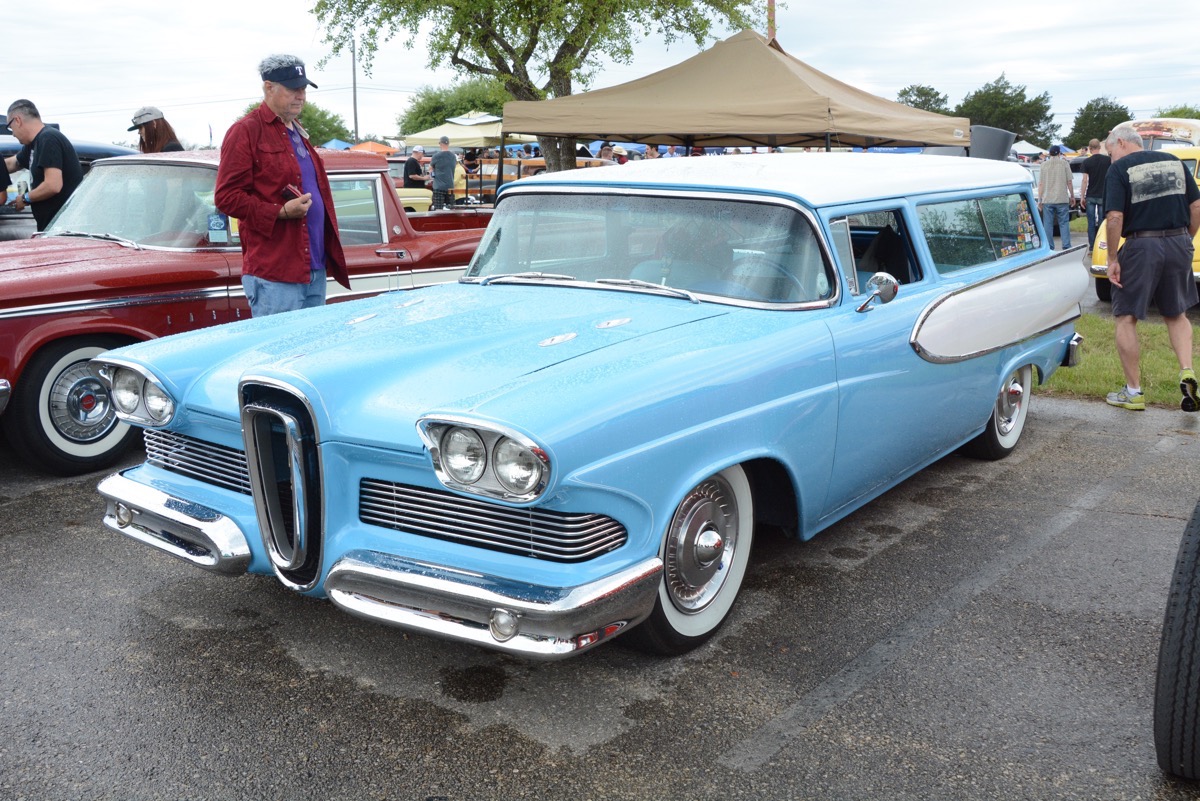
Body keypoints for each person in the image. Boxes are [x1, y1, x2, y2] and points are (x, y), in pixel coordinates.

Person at [214, 54, 349, 317]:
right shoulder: (246, 131)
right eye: (293, 88)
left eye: (303, 89)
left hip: (314, 266)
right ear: (269, 87)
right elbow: (226, 197)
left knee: (307, 354)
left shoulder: (298, 131)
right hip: (276, 271)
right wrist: (280, 212)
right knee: (278, 356)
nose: (301, 95)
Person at [1101, 121, 1200, 413]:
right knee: (1176, 313)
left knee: (1126, 316)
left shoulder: (1119, 170)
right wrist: (1187, 239)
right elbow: (1196, 207)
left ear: (1120, 143)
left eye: (1109, 152)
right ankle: (1186, 371)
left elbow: (1116, 217)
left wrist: (1112, 259)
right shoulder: (1174, 162)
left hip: (1142, 245)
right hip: (1178, 240)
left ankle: (1133, 392)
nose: (1110, 158)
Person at [3, 99, 83, 231]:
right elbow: (14, 163)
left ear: (17, 120)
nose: (13, 134)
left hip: (61, 228)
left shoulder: (48, 139)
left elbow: (53, 185)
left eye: (10, 128)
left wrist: (25, 198)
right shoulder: (34, 143)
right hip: (50, 226)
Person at [1037, 144, 1074, 250]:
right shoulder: (1064, 164)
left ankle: (1049, 246)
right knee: (1064, 222)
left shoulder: (1044, 165)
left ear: (1049, 153)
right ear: (1059, 153)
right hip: (1061, 197)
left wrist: (1040, 199)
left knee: (1048, 223)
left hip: (1048, 198)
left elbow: (1041, 184)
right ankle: (1066, 245)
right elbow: (1069, 182)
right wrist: (1071, 196)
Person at [1079, 138, 1110, 250]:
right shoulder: (1108, 160)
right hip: (1103, 194)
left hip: (1091, 195)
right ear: (1100, 147)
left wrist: (1082, 196)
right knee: (1102, 222)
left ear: (1090, 148)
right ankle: (1102, 246)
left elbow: (1084, 180)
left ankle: (1092, 247)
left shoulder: (1087, 162)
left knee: (1091, 222)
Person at [429, 135, 457, 210]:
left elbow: (431, 169)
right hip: (450, 186)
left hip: (438, 187)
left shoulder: (436, 156)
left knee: (438, 210)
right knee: (452, 210)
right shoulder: (453, 156)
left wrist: (433, 175)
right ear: (448, 144)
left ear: (440, 144)